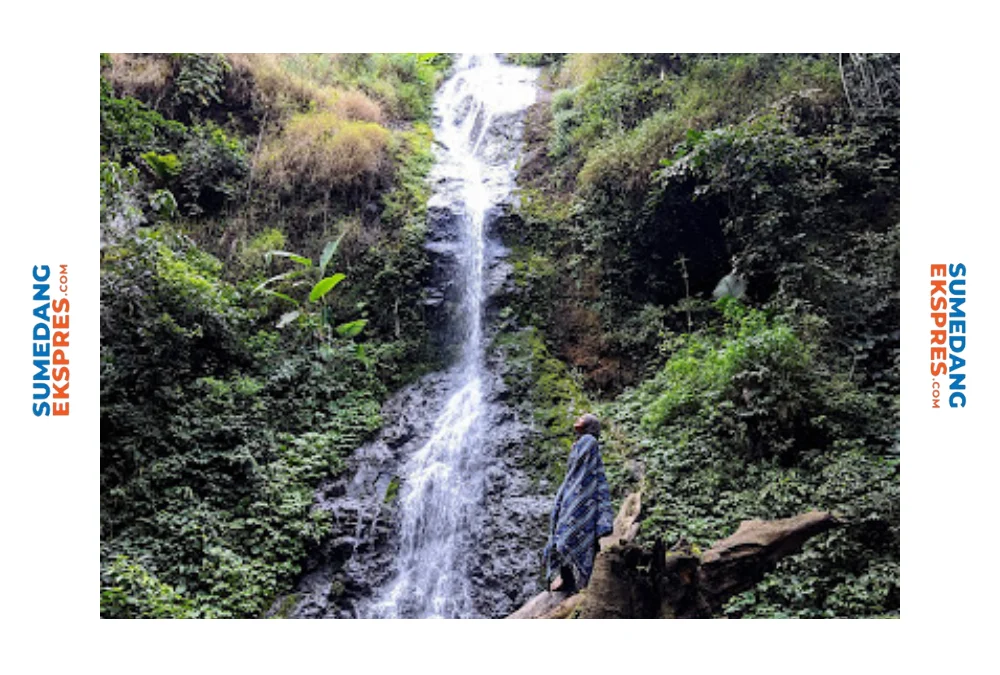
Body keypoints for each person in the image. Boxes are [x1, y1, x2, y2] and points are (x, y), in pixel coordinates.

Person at [542, 413, 615, 593]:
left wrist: (574, 496)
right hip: (575, 494)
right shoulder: (582, 442)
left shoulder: (588, 440)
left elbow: (582, 473)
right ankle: (571, 580)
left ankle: (581, 582)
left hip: (581, 495)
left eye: (582, 418)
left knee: (568, 538)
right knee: (566, 540)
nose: (577, 419)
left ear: (589, 425)